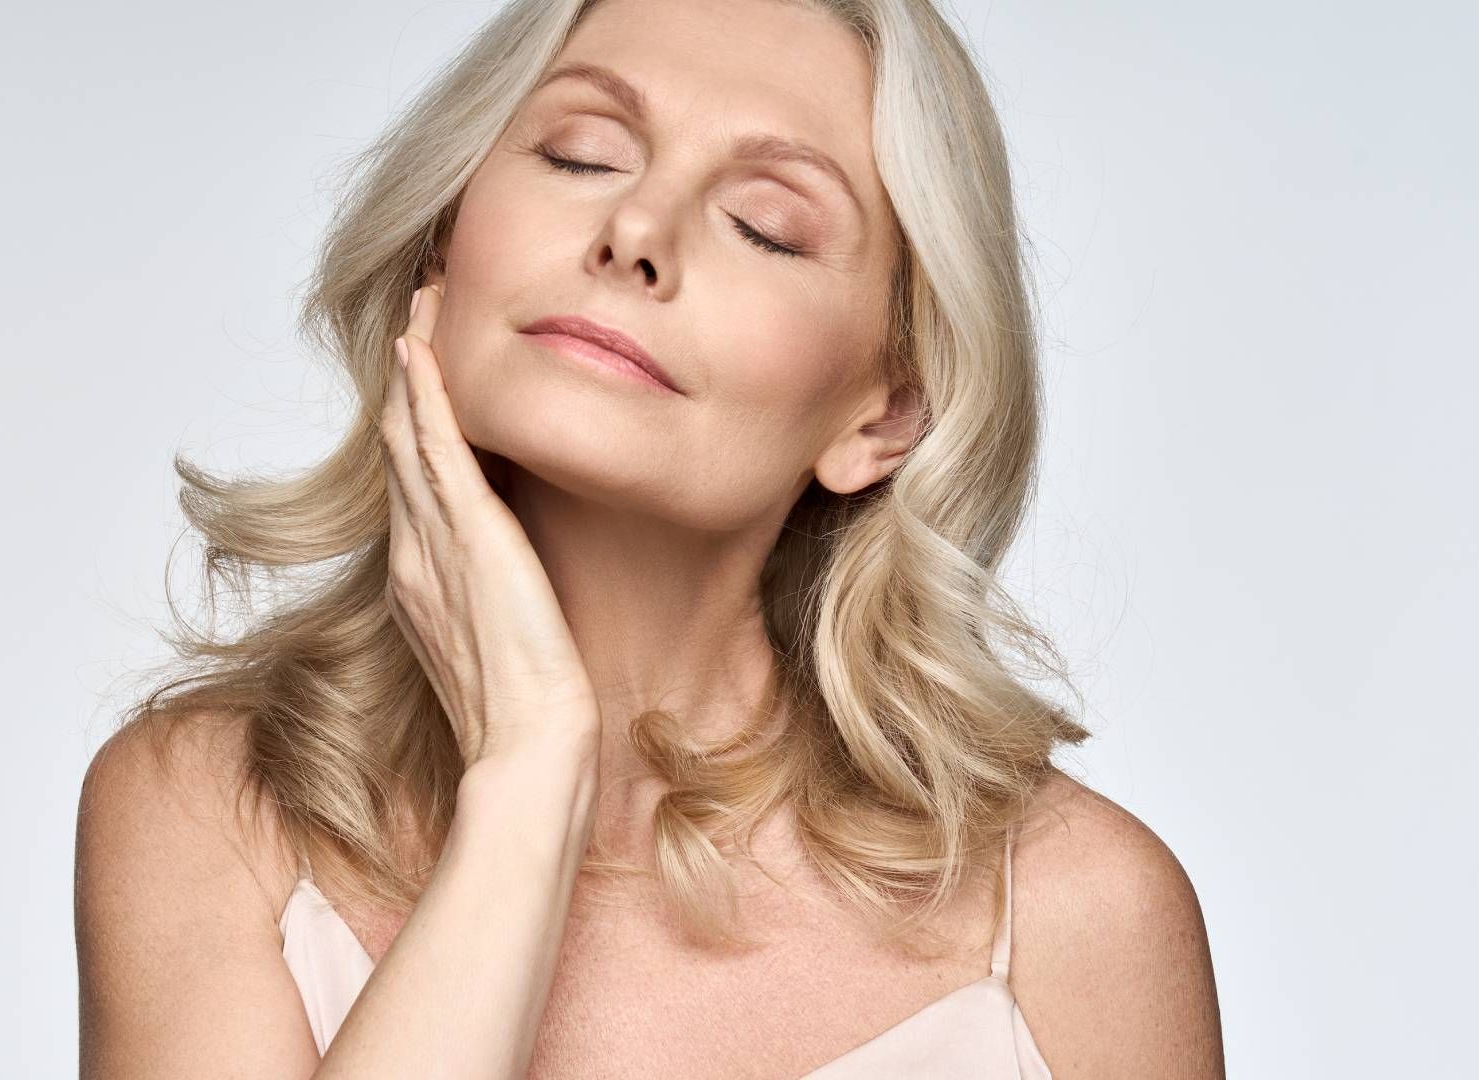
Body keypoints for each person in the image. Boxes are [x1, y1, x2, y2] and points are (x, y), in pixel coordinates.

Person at [75, 0, 1224, 1076]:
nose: (634, 230)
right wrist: (527, 776)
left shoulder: (1081, 918)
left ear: (885, 413)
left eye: (764, 226)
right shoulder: (213, 811)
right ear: (444, 241)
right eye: (582, 154)